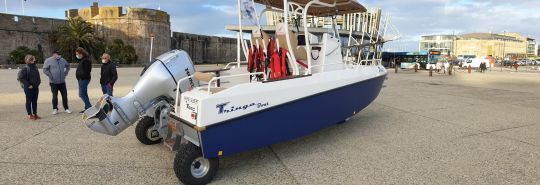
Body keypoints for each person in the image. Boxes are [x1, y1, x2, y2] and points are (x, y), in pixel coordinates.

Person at [43, 51, 71, 115]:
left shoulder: (63, 60)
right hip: (53, 83)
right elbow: (45, 70)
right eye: (58, 55)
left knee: (64, 96)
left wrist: (66, 73)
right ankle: (55, 108)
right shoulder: (48, 60)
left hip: (62, 82)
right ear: (54, 55)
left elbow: (68, 66)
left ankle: (66, 108)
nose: (59, 56)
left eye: (60, 55)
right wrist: (50, 76)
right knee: (55, 96)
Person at [17, 55, 41, 120]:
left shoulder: (35, 67)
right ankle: (30, 115)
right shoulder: (26, 68)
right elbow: (21, 78)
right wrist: (28, 85)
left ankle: (35, 114)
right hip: (29, 88)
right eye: (33, 59)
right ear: (30, 60)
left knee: (34, 101)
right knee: (29, 101)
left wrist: (38, 83)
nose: (35, 60)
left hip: (35, 87)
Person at [75, 47, 92, 113]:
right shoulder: (82, 60)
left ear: (81, 53)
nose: (77, 55)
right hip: (81, 79)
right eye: (76, 54)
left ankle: (90, 107)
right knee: (84, 94)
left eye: (78, 54)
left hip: (84, 79)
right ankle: (87, 108)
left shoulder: (86, 60)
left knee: (81, 94)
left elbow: (88, 70)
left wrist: (81, 76)